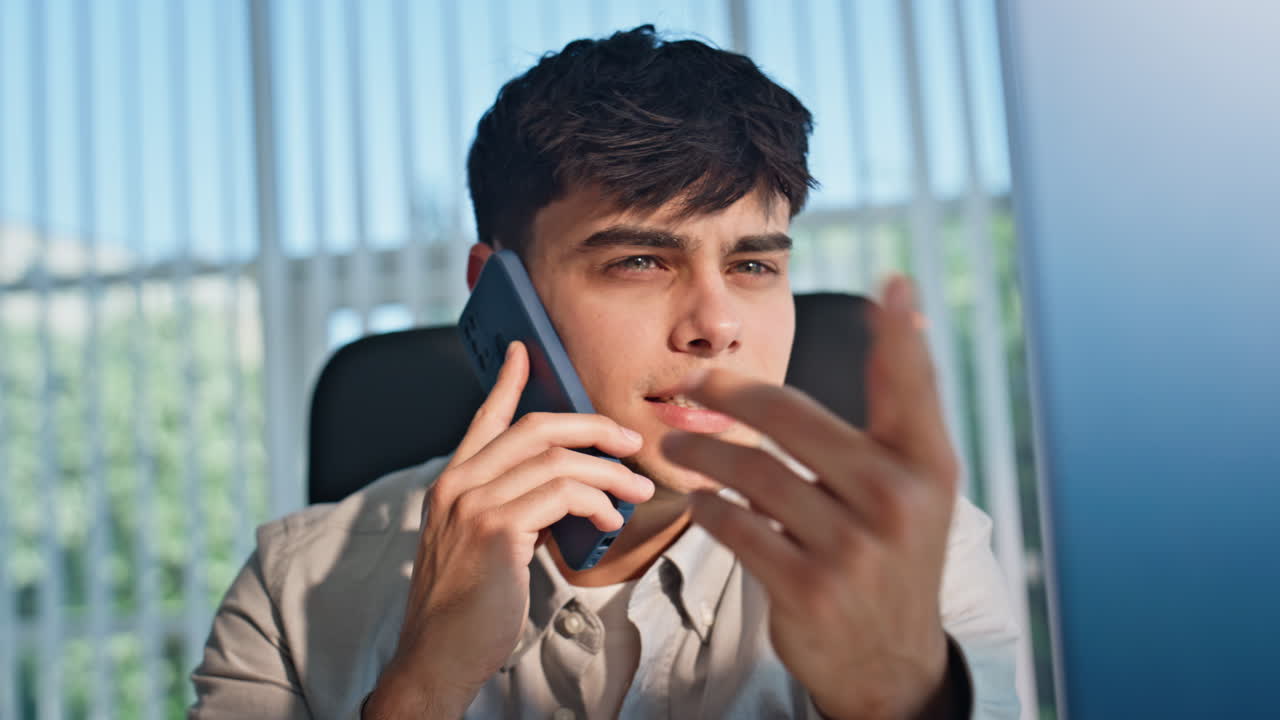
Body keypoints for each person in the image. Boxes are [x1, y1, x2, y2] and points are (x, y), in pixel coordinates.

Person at [189, 25, 1019, 720]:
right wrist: (423, 688)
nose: (717, 325)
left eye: (754, 267)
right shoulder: (292, 592)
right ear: (496, 294)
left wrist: (905, 701)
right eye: (640, 261)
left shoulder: (907, 552)